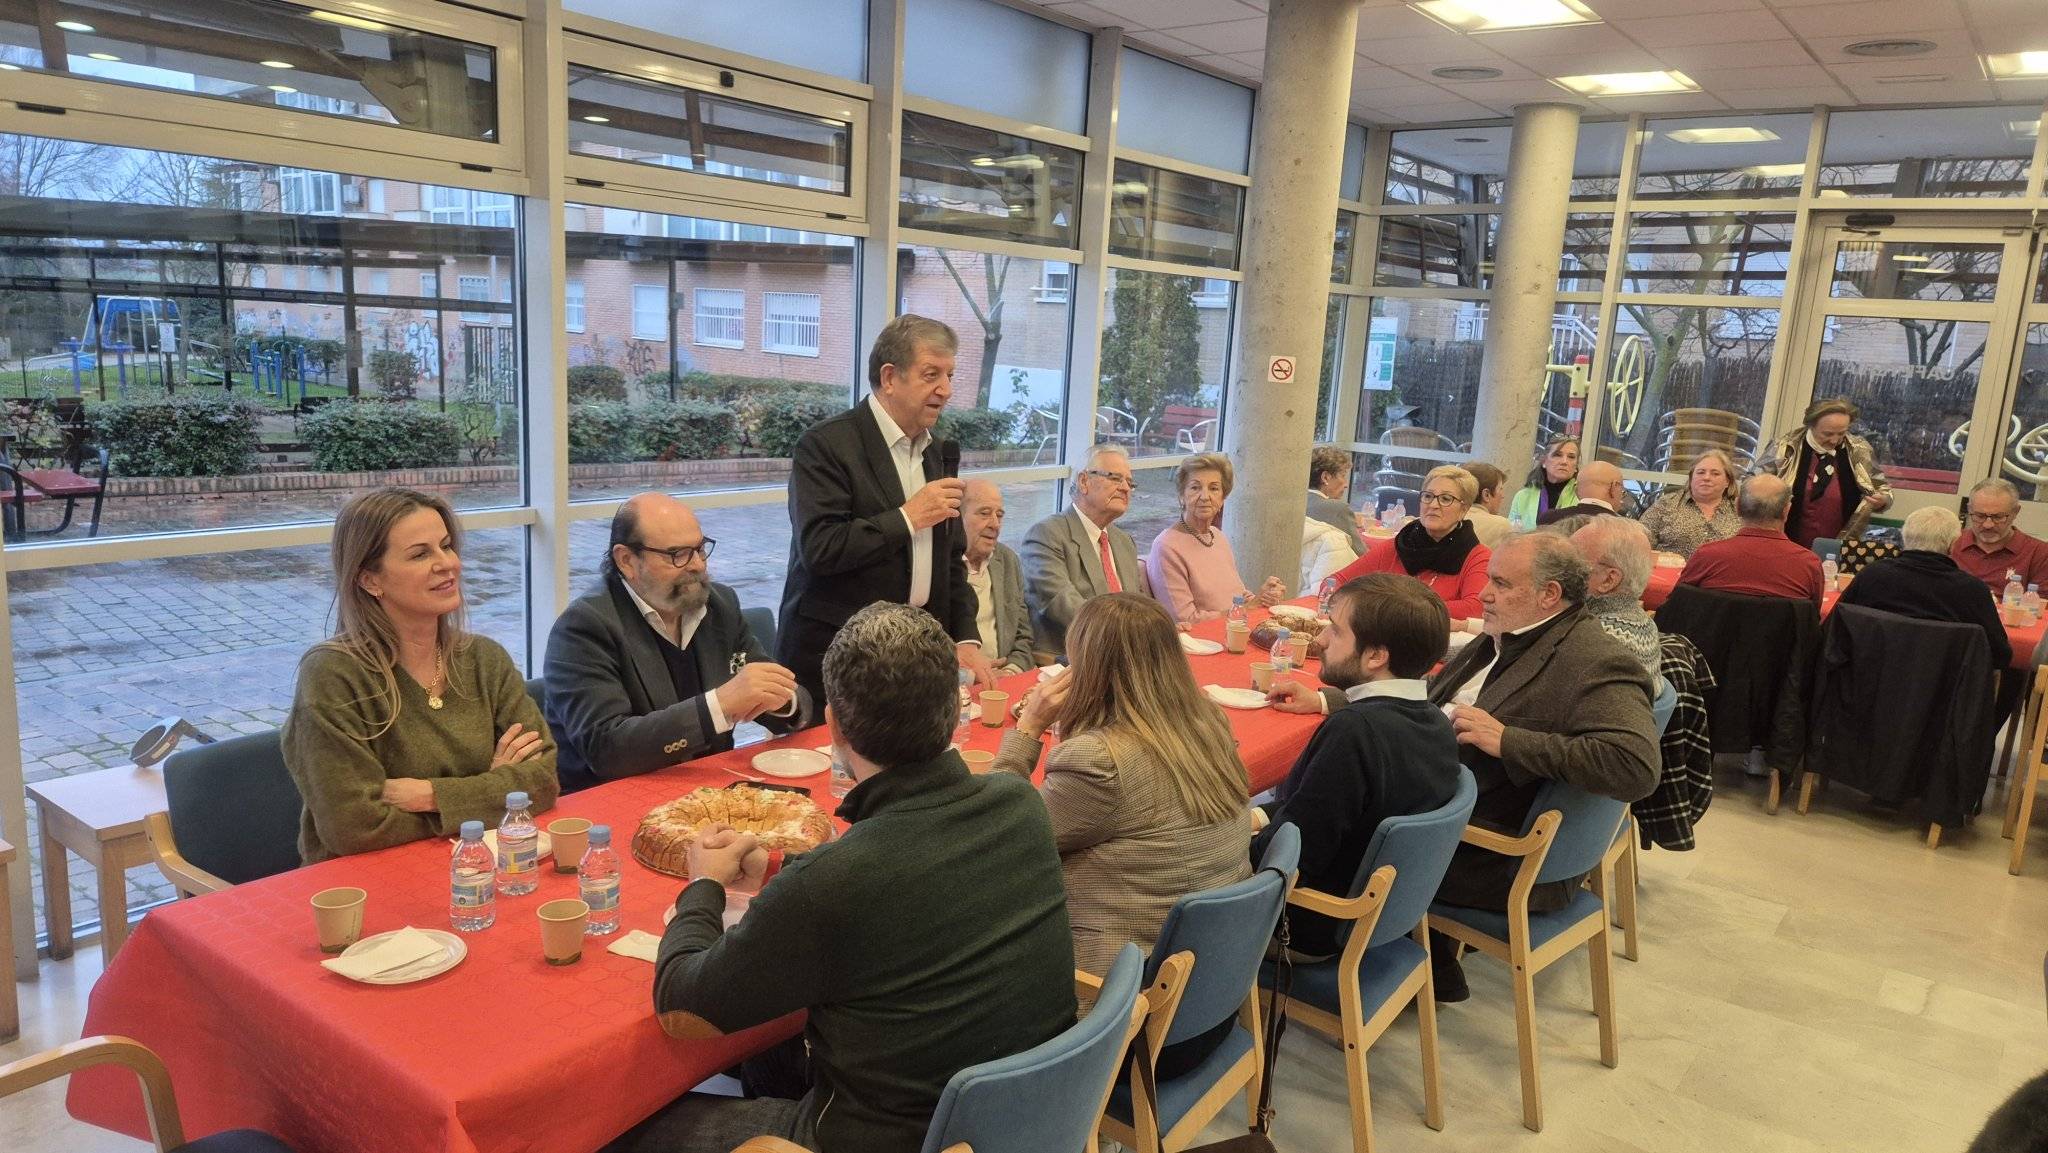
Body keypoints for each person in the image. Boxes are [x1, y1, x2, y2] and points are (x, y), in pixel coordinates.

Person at [619, 603, 1076, 1153]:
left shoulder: (834, 881)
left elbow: (682, 1008)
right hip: (1024, 1121)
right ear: (954, 706)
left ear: (833, 725)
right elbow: (894, 879)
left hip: (890, 1138)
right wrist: (774, 869)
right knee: (767, 1055)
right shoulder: (1020, 804)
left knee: (616, 1126)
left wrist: (702, 887)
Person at [1423, 532, 1660, 1001]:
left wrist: (1509, 740)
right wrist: (1334, 701)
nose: (1484, 594)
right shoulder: (1512, 635)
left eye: (1500, 583)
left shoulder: (1594, 658)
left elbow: (1635, 765)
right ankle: (1426, 962)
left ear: (1549, 594)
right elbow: (1429, 702)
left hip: (1490, 855)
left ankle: (1332, 966)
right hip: (1457, 812)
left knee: (1323, 822)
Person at [282, 487, 557, 864]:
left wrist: (428, 795)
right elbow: (353, 828)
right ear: (370, 580)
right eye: (420, 554)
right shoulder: (333, 675)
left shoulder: (485, 659)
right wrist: (492, 792)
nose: (448, 564)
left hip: (478, 868)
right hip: (365, 883)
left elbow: (543, 782)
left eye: (446, 546)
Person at [993, 593, 1251, 981]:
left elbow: (999, 840)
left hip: (1119, 993)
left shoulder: (1099, 761)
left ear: (1087, 671)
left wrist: (1028, 728)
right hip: (1213, 973)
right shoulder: (1209, 723)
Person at [777, 314, 996, 708]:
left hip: (915, 658)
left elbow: (951, 559)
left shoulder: (936, 451)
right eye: (931, 375)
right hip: (840, 660)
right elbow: (821, 548)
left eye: (949, 376)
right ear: (890, 377)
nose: (946, 390)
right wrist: (909, 517)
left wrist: (965, 637)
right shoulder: (826, 445)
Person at [543, 493, 810, 794]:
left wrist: (781, 700)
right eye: (677, 554)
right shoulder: (584, 627)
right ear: (627, 560)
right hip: (613, 800)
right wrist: (719, 705)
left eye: (700, 549)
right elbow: (607, 750)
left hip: (708, 791)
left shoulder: (719, 605)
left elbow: (786, 695)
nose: (697, 565)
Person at [1256, 574, 1462, 959]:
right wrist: (1257, 817)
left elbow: (1294, 855)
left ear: (1375, 656)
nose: (1321, 640)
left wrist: (1223, 843)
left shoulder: (1354, 731)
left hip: (1307, 925)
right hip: (1379, 916)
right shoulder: (1435, 722)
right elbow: (1317, 811)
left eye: (1335, 631)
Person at [1839, 506, 2011, 671]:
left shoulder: (1873, 575)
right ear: (1952, 545)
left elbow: (1836, 632)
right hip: (1943, 688)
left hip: (1868, 682)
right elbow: (2000, 656)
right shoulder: (1972, 590)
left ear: (1904, 538)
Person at [1021, 444, 1149, 659]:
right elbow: (1062, 603)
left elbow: (1137, 602)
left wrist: (1158, 626)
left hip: (1126, 653)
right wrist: (1127, 634)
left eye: (1130, 482)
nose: (1126, 488)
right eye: (1115, 478)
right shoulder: (1046, 535)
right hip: (1072, 658)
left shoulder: (1123, 541)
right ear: (1083, 482)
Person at [1324, 465, 1490, 619]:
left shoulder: (1477, 557)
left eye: (1446, 499)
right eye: (1428, 496)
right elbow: (1335, 581)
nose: (1433, 504)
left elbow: (1477, 608)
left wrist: (1398, 610)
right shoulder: (1400, 545)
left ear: (1463, 509)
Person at [1146, 452, 1287, 625]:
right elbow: (1185, 619)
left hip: (1234, 628)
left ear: (1222, 498)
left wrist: (1264, 597)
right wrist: (1247, 608)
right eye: (1195, 488)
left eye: (1214, 489)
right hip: (1201, 638)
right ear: (1181, 496)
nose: (1205, 496)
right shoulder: (1166, 546)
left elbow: (1239, 595)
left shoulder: (1217, 537)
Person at [1761, 397, 1894, 548]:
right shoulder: (1783, 449)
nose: (1834, 440)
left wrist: (1883, 500)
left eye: (1841, 433)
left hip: (1840, 546)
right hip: (1787, 543)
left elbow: (1882, 488)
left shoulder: (1859, 450)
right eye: (1827, 434)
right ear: (1811, 426)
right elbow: (1754, 488)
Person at [1676, 473, 1825, 606]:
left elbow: (1677, 607)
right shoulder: (1808, 565)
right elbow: (1812, 619)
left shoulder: (1706, 556)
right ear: (1786, 511)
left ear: (1737, 507)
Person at [1570, 517, 1663, 689]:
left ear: (1608, 580)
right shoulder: (1643, 622)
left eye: (1571, 561)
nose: (1558, 569)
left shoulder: (1595, 641)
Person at [959, 479, 1035, 676]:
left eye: (999, 515)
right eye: (984, 513)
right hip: (957, 684)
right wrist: (971, 677)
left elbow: (1023, 636)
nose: (995, 524)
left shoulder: (1008, 560)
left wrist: (1011, 671)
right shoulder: (938, 567)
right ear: (957, 517)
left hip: (1007, 676)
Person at [1637, 449, 1742, 558]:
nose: (1706, 478)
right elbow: (1638, 541)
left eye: (1715, 474)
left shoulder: (1739, 511)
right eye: (1701, 472)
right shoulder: (1666, 504)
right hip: (1670, 568)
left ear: (1727, 481)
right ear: (1691, 478)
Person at [1954, 478, 2048, 593]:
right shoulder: (1952, 542)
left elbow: (2040, 602)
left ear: (2015, 512)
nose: (1988, 525)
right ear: (1969, 509)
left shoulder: (2040, 553)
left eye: (1998, 517)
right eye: (1979, 516)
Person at [1307, 444, 1367, 557]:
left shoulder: (1294, 503)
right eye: (1343, 476)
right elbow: (1362, 555)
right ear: (1325, 477)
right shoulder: (1338, 509)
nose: (1346, 485)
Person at [1507, 436, 1579, 529]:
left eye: (1571, 457)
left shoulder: (1581, 496)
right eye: (1557, 455)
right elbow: (1511, 533)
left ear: (1576, 466)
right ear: (1544, 461)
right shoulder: (1522, 496)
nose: (1564, 462)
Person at [1537, 459, 1624, 525]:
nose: (1622, 500)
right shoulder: (1626, 529)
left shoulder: (1549, 519)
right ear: (1614, 487)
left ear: (1576, 490)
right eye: (1623, 492)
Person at [1463, 460, 1514, 547]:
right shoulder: (1501, 525)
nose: (1503, 496)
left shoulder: (1448, 520)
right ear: (1486, 495)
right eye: (1500, 489)